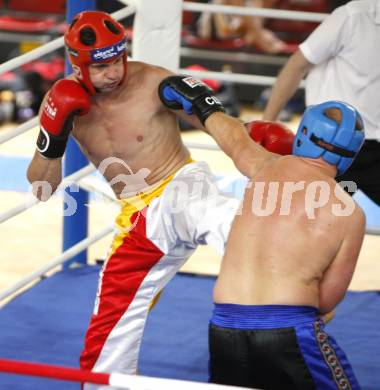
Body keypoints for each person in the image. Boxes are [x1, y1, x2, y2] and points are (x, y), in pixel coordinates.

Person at [26, 10, 294, 386]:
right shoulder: (62, 101)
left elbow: (217, 124)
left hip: (182, 185)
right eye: (101, 67)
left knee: (229, 223)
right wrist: (52, 138)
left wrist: (260, 162)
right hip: (139, 215)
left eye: (118, 59)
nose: (114, 72)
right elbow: (42, 188)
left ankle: (296, 281)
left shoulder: (155, 82)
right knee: (110, 325)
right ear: (77, 65)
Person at [209, 100, 365, 389]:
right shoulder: (350, 213)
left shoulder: (262, 167)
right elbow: (327, 301)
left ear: (304, 132)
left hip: (223, 326)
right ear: (351, 155)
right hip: (289, 327)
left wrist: (199, 103)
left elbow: (231, 135)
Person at [263, 0, 380, 205]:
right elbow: (296, 65)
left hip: (375, 153)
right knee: (306, 221)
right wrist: (267, 124)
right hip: (328, 150)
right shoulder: (352, 16)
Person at [196, 0, 288, 53]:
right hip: (213, 24)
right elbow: (241, 10)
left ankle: (258, 35)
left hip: (240, 26)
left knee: (256, 26)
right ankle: (258, 35)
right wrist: (259, 35)